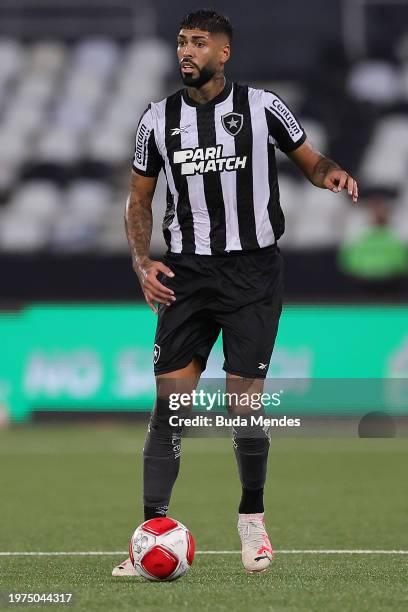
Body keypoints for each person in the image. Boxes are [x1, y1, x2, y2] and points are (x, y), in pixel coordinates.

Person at [113, 9, 358, 576]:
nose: (186, 51)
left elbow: (310, 162)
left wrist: (334, 175)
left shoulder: (263, 107)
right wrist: (140, 262)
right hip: (187, 276)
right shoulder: (156, 120)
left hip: (252, 275)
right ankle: (149, 531)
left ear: (224, 53)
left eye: (198, 42)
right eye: (181, 42)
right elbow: (140, 198)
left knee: (243, 409)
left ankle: (253, 522)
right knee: (169, 410)